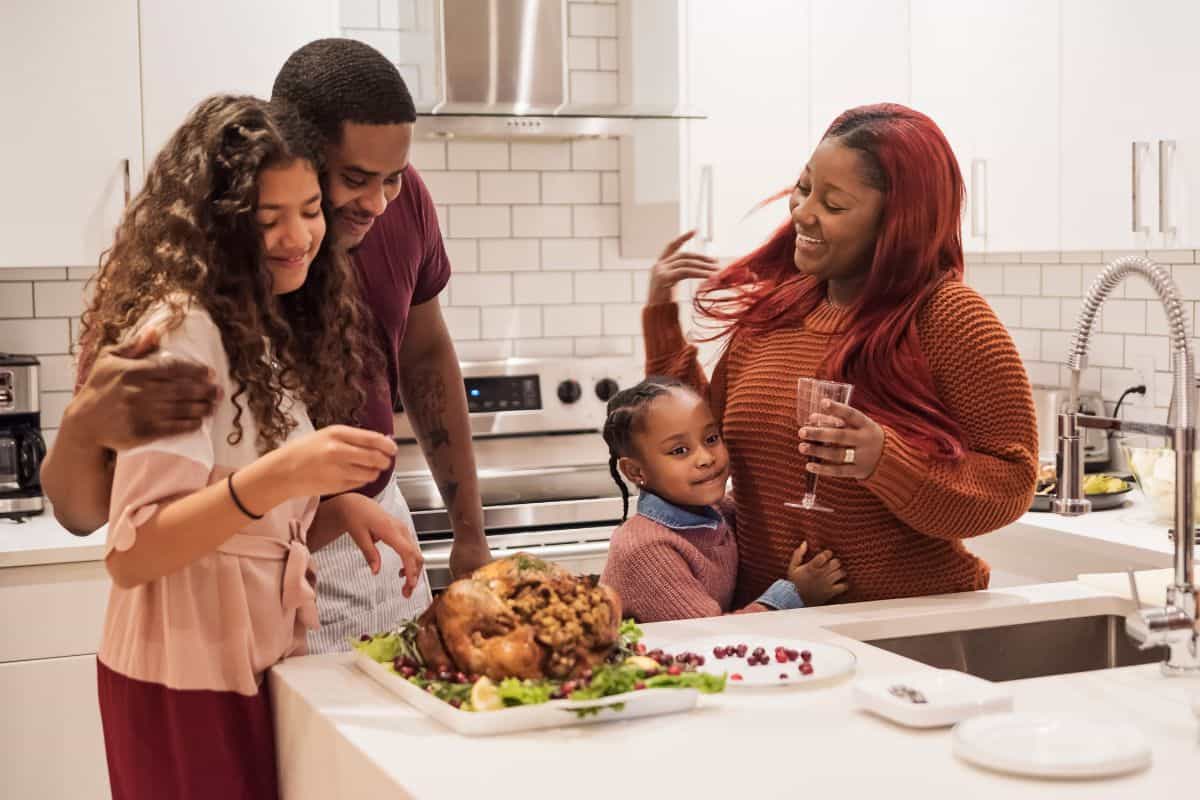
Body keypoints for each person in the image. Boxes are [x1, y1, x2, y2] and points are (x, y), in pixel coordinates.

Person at [40, 38, 491, 652]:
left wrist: (468, 532)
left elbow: (426, 353)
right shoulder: (189, 308)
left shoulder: (390, 206)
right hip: (242, 558)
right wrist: (83, 426)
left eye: (392, 178)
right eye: (355, 179)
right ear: (294, 153)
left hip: (360, 525)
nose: (380, 202)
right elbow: (108, 525)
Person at [86, 95, 422, 799]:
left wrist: (334, 514)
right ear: (215, 228)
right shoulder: (181, 335)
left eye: (309, 209)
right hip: (180, 673)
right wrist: (283, 476)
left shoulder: (259, 326)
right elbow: (135, 552)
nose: (298, 236)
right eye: (268, 220)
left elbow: (241, 528)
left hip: (247, 658)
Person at [641, 103, 1038, 608]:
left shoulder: (948, 318)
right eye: (804, 189)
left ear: (897, 222)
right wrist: (660, 315)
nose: (802, 212)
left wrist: (885, 462)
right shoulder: (781, 308)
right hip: (775, 622)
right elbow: (697, 434)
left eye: (833, 204)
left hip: (907, 627)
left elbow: (1011, 483)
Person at [599, 377, 847, 622]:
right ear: (635, 472)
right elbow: (712, 635)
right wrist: (797, 594)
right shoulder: (647, 548)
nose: (706, 458)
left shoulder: (718, 512)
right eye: (679, 451)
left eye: (711, 439)